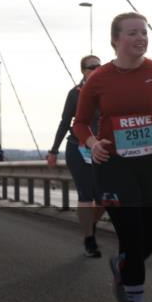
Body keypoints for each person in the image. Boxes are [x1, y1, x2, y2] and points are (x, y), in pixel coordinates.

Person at [73, 12, 152, 302]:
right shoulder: (99, 79)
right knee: (132, 235)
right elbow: (80, 123)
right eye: (132, 33)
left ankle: (123, 266)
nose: (140, 38)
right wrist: (92, 143)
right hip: (114, 164)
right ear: (116, 40)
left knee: (149, 236)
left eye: (144, 33)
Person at [48, 55, 105, 257]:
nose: (97, 69)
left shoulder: (108, 91)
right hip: (78, 148)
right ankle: (89, 239)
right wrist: (54, 150)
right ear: (83, 71)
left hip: (103, 150)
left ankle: (90, 226)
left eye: (100, 65)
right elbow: (65, 122)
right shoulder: (75, 94)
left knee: (104, 198)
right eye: (92, 67)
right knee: (86, 194)